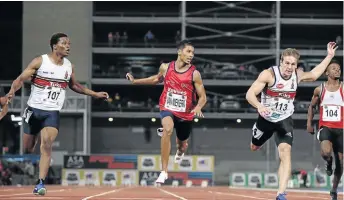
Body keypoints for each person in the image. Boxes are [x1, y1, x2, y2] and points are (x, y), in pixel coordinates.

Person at [6, 33, 109, 195]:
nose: (68, 46)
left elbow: (75, 86)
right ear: (55, 46)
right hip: (33, 111)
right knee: (28, 148)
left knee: (47, 144)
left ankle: (40, 183)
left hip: (52, 112)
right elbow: (20, 80)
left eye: (69, 44)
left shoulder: (68, 66)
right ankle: (34, 152)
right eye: (64, 43)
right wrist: (10, 94)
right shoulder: (40, 61)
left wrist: (95, 94)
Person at [245, 42, 337, 200]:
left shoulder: (297, 75)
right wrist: (259, 106)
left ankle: (281, 194)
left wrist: (329, 56)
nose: (289, 67)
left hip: (284, 120)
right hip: (265, 119)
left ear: (296, 65)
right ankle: (257, 136)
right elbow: (250, 94)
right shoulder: (269, 74)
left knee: (285, 153)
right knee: (254, 147)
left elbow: (315, 74)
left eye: (293, 64)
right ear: (281, 62)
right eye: (287, 63)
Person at [126, 40, 207, 184]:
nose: (191, 55)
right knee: (167, 130)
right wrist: (135, 81)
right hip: (167, 107)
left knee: (182, 144)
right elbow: (155, 79)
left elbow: (203, 97)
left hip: (186, 113)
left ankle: (181, 151)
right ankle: (163, 172)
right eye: (188, 51)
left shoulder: (194, 74)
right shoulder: (165, 67)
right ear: (179, 52)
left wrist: (199, 107)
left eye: (193, 53)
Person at [307, 60, 343, 200]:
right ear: (326, 73)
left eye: (339, 69)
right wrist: (309, 123)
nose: (337, 70)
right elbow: (312, 107)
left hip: (341, 129)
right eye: (334, 68)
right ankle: (328, 162)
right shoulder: (319, 89)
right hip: (326, 127)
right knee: (326, 152)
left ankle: (334, 190)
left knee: (341, 164)